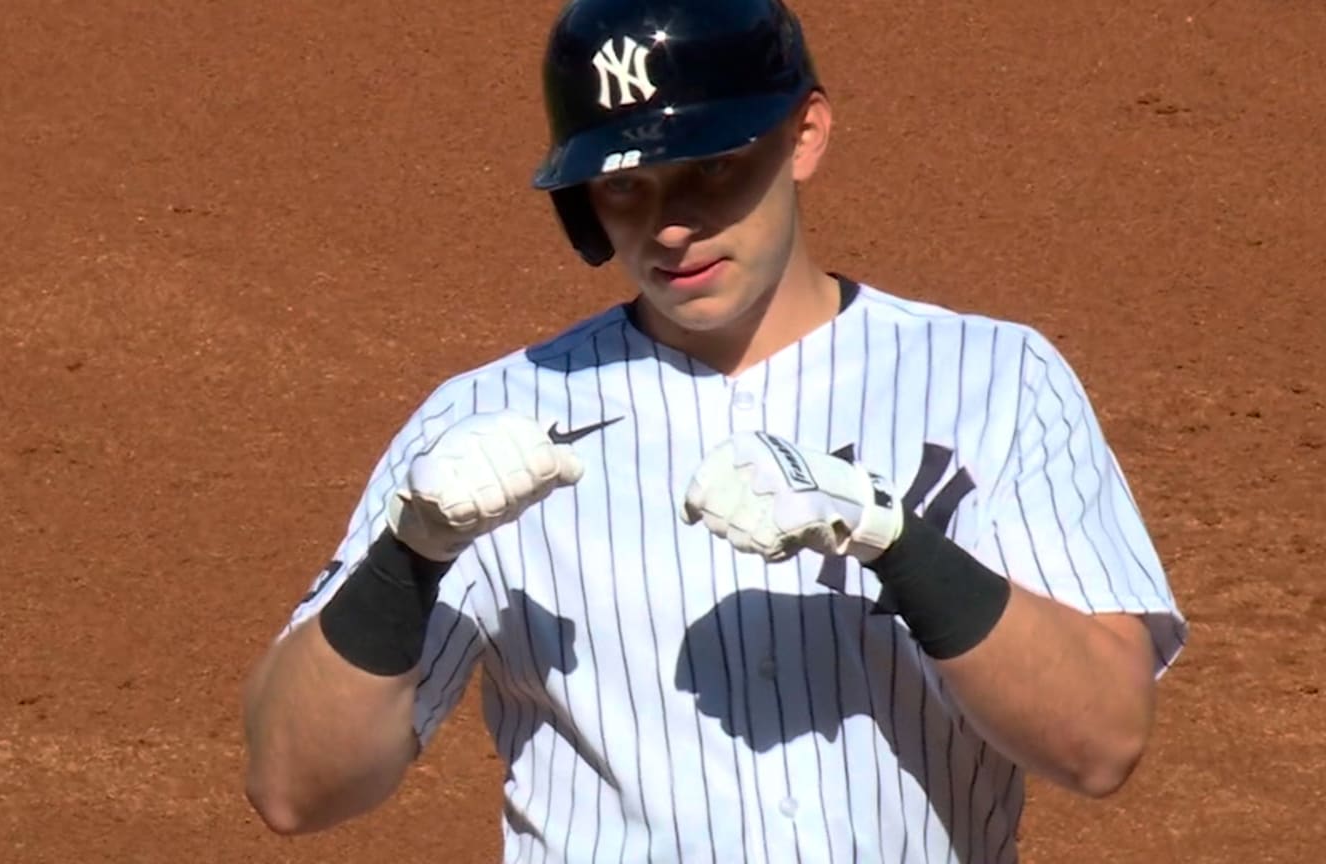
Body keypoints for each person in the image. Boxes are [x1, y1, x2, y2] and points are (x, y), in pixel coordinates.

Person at [240, 0, 1188, 860]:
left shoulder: (994, 378)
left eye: (713, 168)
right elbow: (296, 786)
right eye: (628, 187)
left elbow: (1099, 740)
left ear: (805, 134)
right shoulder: (485, 422)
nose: (671, 226)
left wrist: (895, 541)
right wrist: (411, 555)